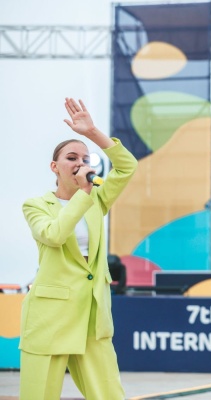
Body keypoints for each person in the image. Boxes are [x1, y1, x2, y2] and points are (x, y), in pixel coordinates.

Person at [19, 98, 138, 399]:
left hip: (92, 317)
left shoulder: (97, 198)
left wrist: (92, 132)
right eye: (71, 158)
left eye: (85, 159)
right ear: (54, 167)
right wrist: (83, 194)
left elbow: (127, 167)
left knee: (110, 394)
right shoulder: (36, 205)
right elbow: (55, 235)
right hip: (50, 317)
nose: (80, 164)